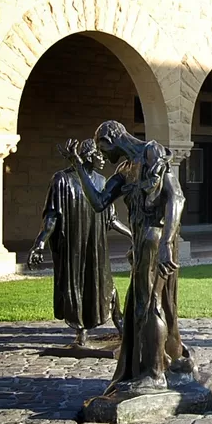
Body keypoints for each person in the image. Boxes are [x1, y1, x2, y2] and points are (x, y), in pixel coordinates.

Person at [61, 122, 192, 395]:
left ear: (110, 139)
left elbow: (175, 199)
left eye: (101, 147)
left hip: (156, 238)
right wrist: (78, 167)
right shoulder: (125, 169)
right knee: (149, 305)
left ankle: (155, 374)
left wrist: (168, 242)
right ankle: (170, 362)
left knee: (150, 303)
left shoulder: (151, 153)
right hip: (143, 241)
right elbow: (99, 202)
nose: (102, 155)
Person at [28, 138, 131, 347]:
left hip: (96, 245)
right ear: (86, 157)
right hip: (73, 245)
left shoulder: (102, 182)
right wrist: (39, 243)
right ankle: (81, 332)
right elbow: (52, 216)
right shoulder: (62, 181)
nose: (103, 159)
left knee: (105, 284)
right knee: (75, 286)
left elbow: (111, 219)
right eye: (98, 155)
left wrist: (132, 234)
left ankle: (120, 324)